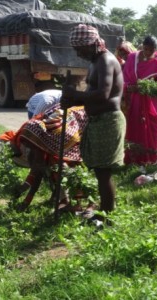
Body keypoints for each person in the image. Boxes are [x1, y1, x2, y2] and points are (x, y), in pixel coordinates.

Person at [61, 24, 125, 216]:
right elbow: (90, 94)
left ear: (93, 44)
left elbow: (103, 94)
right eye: (76, 49)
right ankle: (104, 211)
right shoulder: (95, 61)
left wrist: (75, 95)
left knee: (103, 172)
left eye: (81, 49)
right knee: (98, 170)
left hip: (109, 121)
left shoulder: (106, 60)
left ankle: (107, 216)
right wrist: (71, 100)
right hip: (98, 120)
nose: (78, 53)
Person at [0, 104, 87, 211]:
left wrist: (26, 200)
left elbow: (38, 173)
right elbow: (35, 171)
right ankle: (63, 200)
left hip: (70, 127)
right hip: (66, 125)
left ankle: (72, 203)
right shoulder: (28, 136)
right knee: (55, 168)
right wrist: (24, 191)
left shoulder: (32, 140)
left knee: (62, 168)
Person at [122, 35, 157, 166]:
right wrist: (129, 87)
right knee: (134, 126)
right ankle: (132, 159)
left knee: (150, 127)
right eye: (146, 49)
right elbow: (124, 78)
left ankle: (148, 158)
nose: (148, 53)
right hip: (134, 100)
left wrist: (149, 87)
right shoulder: (133, 58)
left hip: (150, 101)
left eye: (151, 50)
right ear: (142, 47)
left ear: (156, 49)